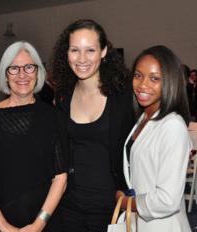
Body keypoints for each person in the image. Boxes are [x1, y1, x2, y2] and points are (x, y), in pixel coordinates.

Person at [0, 41, 67, 232]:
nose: (22, 75)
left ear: (37, 72)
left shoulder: (53, 116)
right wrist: (5, 228)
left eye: (29, 67)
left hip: (44, 221)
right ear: (5, 74)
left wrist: (38, 225)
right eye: (14, 68)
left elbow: (60, 177)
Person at [52, 19, 135, 232]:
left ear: (104, 51)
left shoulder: (123, 94)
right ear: (66, 53)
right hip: (69, 206)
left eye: (90, 50)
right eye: (74, 50)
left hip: (111, 206)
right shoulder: (63, 96)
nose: (82, 59)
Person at [117, 45, 192, 232]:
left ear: (170, 82)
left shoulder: (172, 126)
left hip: (162, 226)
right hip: (140, 223)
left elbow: (168, 200)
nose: (143, 85)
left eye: (154, 78)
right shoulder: (144, 117)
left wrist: (128, 202)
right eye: (138, 75)